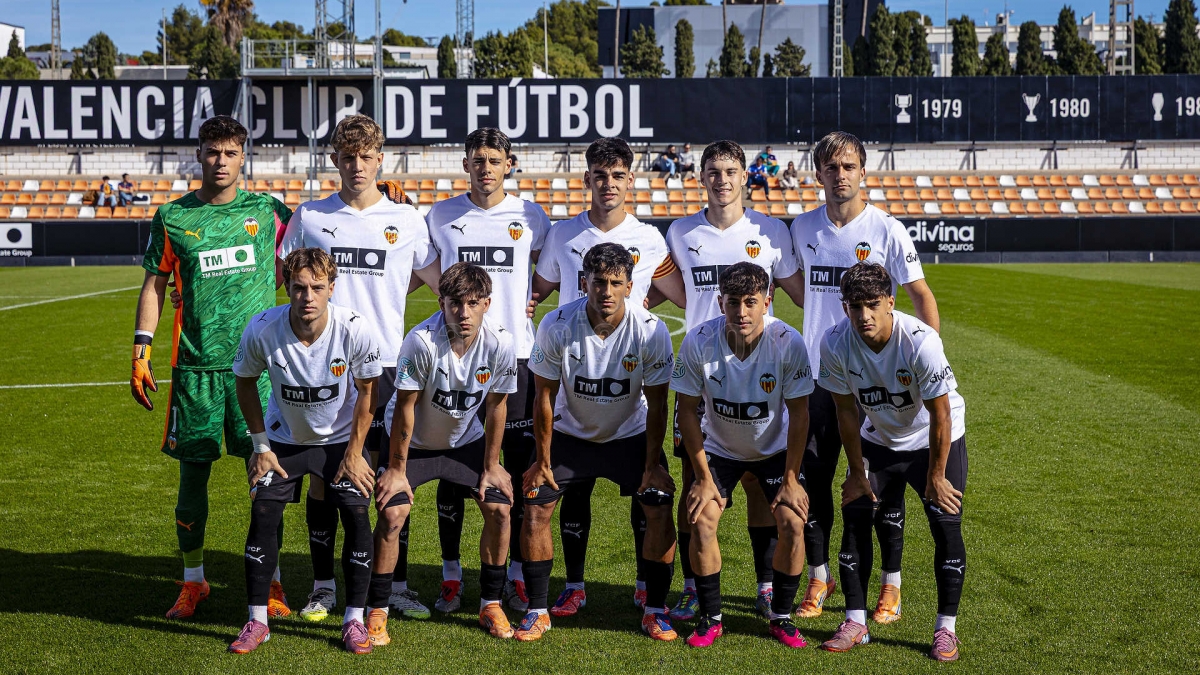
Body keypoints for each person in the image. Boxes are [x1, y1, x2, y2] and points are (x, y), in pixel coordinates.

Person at [277, 114, 442, 624]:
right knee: (326, 476)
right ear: (335, 160)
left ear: (380, 160)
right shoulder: (310, 216)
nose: (357, 166)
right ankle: (324, 586)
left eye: (366, 157)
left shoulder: (407, 220)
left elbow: (434, 278)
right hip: (324, 364)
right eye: (347, 157)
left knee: (392, 476)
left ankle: (396, 586)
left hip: (387, 364)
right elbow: (285, 276)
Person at [132, 115, 293, 621]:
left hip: (258, 370)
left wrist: (384, 198)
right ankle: (193, 580)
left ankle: (272, 583)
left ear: (243, 157)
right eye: (211, 151)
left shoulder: (268, 211)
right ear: (198, 155)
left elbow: (317, 241)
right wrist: (141, 349)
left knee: (267, 478)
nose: (220, 161)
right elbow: (155, 284)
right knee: (191, 481)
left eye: (229, 152)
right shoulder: (172, 216)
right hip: (196, 370)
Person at [529, 136, 686, 616]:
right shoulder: (562, 235)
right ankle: (573, 585)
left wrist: (637, 308)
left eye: (618, 175)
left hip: (626, 387)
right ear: (587, 180)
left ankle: (645, 587)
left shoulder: (650, 238)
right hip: (573, 381)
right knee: (572, 494)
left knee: (648, 495)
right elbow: (536, 290)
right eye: (600, 176)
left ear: (630, 181)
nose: (609, 184)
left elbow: (681, 294)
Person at [790, 131, 940, 622]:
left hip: (877, 385)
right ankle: (819, 577)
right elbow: (795, 289)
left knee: (881, 486)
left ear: (862, 171)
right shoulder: (801, 227)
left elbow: (920, 295)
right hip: (818, 379)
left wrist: (924, 366)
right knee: (814, 482)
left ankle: (890, 585)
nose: (840, 175)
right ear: (818, 174)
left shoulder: (887, 230)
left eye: (849, 166)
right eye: (831, 167)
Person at [660, 139, 805, 622]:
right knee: (695, 487)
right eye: (713, 171)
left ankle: (766, 586)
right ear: (701, 177)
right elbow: (666, 289)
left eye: (730, 171)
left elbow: (800, 292)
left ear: (745, 176)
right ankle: (691, 588)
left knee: (761, 486)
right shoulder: (681, 231)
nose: (721, 180)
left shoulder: (771, 231)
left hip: (759, 370)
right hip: (704, 373)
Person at [516, 243, 678, 642]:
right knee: (536, 505)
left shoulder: (650, 329)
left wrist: (652, 464)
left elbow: (659, 403)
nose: (606, 291)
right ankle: (538, 610)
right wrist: (542, 461)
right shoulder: (557, 324)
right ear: (583, 282)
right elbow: (543, 398)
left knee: (658, 505)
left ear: (630, 286)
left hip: (629, 434)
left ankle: (655, 610)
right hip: (571, 434)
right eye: (599, 282)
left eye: (616, 283)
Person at [228, 247, 382, 654]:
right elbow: (244, 381)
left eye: (317, 287)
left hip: (340, 441)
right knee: (263, 511)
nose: (307, 297)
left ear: (332, 287)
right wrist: (260, 446)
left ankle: (354, 620)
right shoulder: (263, 327)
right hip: (284, 441)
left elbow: (368, 390)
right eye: (298, 287)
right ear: (287, 288)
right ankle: (257, 621)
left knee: (356, 513)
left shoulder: (354, 328)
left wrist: (355, 453)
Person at [815, 262, 967, 662]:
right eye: (855, 306)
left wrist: (937, 474)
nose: (864, 315)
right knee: (855, 513)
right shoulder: (834, 342)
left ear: (890, 303)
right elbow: (846, 412)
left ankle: (945, 630)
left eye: (872, 305)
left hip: (933, 438)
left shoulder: (920, 342)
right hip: (879, 437)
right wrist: (856, 472)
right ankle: (855, 621)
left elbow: (941, 414)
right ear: (845, 307)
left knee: (945, 522)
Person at [425, 127, 549, 615]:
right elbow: (428, 271)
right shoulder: (442, 215)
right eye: (477, 160)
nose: (486, 169)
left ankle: (514, 575)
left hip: (516, 355)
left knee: (512, 470)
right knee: (454, 466)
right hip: (456, 354)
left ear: (508, 165)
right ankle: (451, 574)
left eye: (495, 161)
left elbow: (549, 270)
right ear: (466, 165)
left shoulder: (532, 216)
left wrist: (530, 299)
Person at [368, 262, 519, 643]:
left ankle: (490, 604)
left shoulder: (501, 342)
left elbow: (497, 406)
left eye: (473, 303)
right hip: (412, 445)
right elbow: (404, 407)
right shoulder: (420, 341)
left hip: (464, 442)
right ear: (441, 303)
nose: (463, 313)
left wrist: (491, 465)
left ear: (486, 304)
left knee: (500, 509)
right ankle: (377, 609)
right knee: (393, 513)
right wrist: (397, 470)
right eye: (455, 303)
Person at [672, 262, 813, 648]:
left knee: (793, 522)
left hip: (775, 450)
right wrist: (702, 478)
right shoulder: (699, 341)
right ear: (721, 303)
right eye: (733, 302)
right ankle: (711, 618)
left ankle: (781, 617)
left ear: (767, 301)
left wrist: (791, 478)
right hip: (720, 450)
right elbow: (686, 411)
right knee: (701, 518)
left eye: (750, 302)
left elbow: (801, 414)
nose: (741, 311)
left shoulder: (788, 342)